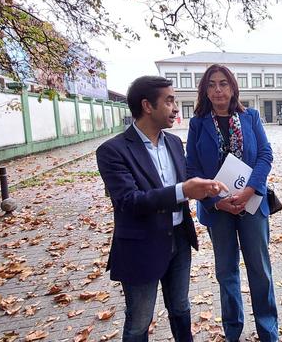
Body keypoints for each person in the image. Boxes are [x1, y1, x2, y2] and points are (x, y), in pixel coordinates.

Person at [96, 76, 228, 342]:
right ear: (147, 106)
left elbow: (187, 183)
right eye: (169, 101)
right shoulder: (113, 151)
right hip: (141, 245)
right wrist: (183, 191)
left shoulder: (173, 143)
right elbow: (129, 202)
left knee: (181, 308)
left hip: (179, 239)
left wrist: (208, 192)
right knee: (139, 321)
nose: (176, 108)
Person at [186, 64, 279, 342]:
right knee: (226, 272)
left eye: (223, 83)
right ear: (205, 90)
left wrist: (250, 190)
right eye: (212, 84)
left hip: (251, 204)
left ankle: (268, 332)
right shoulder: (197, 123)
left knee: (260, 271)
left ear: (233, 87)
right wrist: (216, 201)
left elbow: (265, 155)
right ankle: (233, 332)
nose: (218, 90)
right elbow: (192, 168)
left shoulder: (250, 117)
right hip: (218, 210)